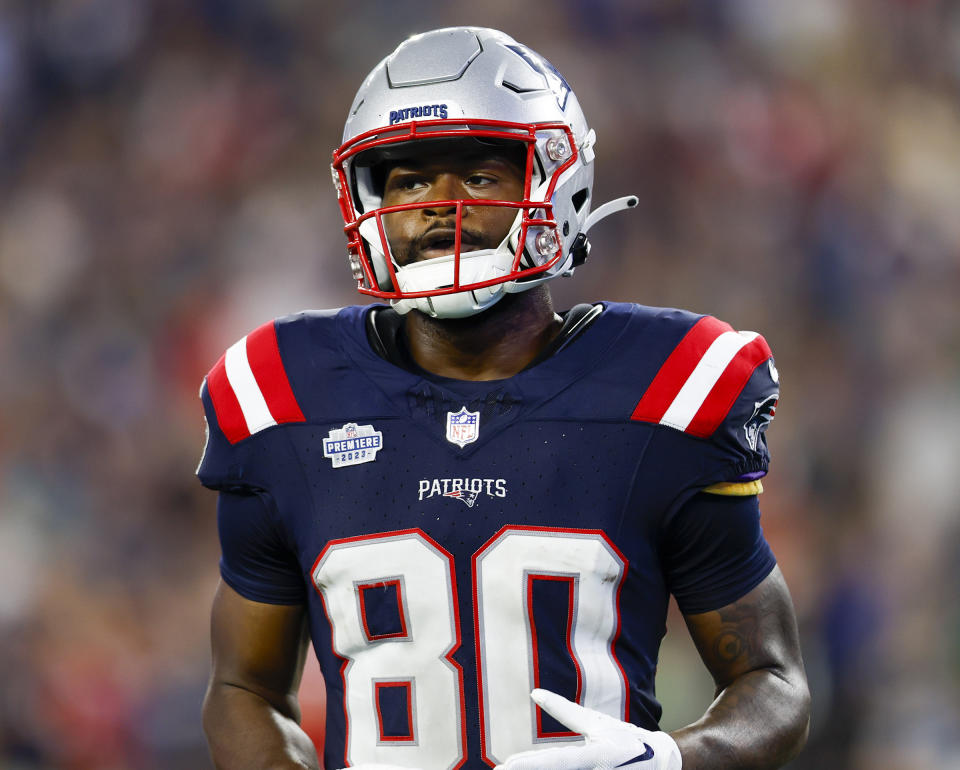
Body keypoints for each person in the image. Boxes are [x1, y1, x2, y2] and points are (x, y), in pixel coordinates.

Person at [197, 26, 810, 770]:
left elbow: (772, 683)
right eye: (409, 179)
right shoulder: (281, 390)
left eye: (479, 176)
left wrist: (672, 761)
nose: (436, 206)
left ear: (559, 181)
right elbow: (242, 687)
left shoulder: (667, 388)